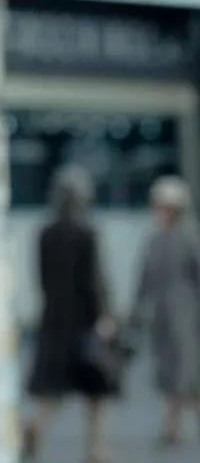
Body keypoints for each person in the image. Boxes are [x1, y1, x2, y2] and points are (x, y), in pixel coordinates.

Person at [22, 166, 117, 463]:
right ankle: (96, 448)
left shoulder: (45, 234)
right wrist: (104, 316)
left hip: (54, 322)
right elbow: (94, 282)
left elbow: (41, 280)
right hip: (85, 323)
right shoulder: (87, 233)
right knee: (96, 390)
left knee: (53, 389)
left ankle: (35, 426)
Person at [131, 175, 200, 448]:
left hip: (187, 316)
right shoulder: (154, 240)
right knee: (170, 373)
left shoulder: (190, 238)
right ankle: (172, 426)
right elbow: (144, 280)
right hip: (161, 317)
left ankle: (172, 426)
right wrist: (136, 312)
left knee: (186, 373)